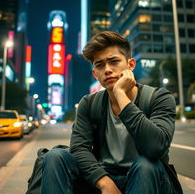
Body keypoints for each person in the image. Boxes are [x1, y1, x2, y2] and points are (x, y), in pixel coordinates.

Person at [41, 31, 177, 194]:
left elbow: (156, 148)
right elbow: (79, 148)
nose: (107, 70)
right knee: (55, 157)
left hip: (148, 178)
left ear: (131, 65)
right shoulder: (89, 103)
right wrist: (104, 182)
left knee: (146, 165)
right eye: (100, 65)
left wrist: (120, 94)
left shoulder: (159, 97)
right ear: (95, 73)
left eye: (114, 62)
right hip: (104, 177)